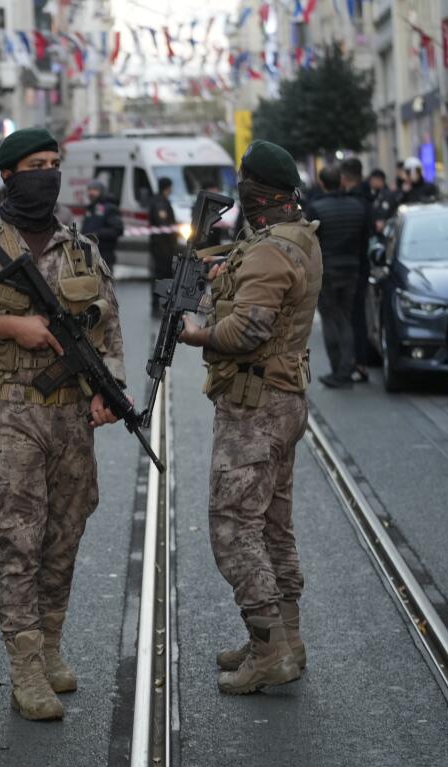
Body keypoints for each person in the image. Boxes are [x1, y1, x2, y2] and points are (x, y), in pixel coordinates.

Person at [0, 127, 126, 720]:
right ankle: (24, 671)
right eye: (34, 165)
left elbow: (107, 326)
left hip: (72, 414)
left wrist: (109, 393)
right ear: (8, 175)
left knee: (64, 536)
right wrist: (10, 327)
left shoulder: (81, 249)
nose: (47, 174)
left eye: (53, 164)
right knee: (19, 540)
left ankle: (51, 649)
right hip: (12, 413)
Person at [176, 139, 321, 694]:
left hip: (255, 405)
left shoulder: (267, 250)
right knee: (273, 523)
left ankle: (268, 651)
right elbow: (265, 305)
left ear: (254, 190)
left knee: (234, 526)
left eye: (242, 180)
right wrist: (225, 284)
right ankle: (286, 638)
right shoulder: (298, 237)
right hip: (284, 400)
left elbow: (247, 331)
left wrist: (197, 332)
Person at [306, 165, 367, 389]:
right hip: (352, 268)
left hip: (327, 270)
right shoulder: (357, 207)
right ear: (341, 180)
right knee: (345, 318)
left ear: (322, 183)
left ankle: (338, 371)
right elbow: (364, 240)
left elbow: (309, 244)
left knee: (330, 318)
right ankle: (346, 369)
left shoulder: (316, 208)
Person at [340, 158, 375, 384]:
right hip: (362, 263)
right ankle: (359, 361)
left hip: (353, 265)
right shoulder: (368, 199)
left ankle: (357, 362)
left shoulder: (354, 202)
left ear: (344, 178)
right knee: (357, 314)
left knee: (353, 316)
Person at [81, 179, 124, 267]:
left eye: (95, 190)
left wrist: (97, 234)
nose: (91, 192)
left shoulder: (109, 208)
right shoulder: (90, 208)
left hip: (104, 255)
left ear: (102, 191)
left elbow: (118, 229)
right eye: (89, 189)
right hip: (89, 254)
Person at [147, 176, 178, 282]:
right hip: (162, 246)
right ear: (167, 188)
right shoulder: (160, 203)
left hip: (164, 246)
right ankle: (158, 298)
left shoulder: (162, 201)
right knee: (161, 274)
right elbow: (163, 223)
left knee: (164, 274)